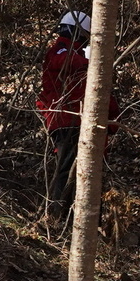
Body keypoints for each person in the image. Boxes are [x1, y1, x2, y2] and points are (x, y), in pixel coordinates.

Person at [37, 11, 92, 210]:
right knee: (65, 169)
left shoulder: (75, 53)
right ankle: (56, 211)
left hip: (75, 119)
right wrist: (92, 62)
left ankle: (68, 210)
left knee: (79, 170)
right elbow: (63, 62)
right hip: (64, 119)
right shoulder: (60, 50)